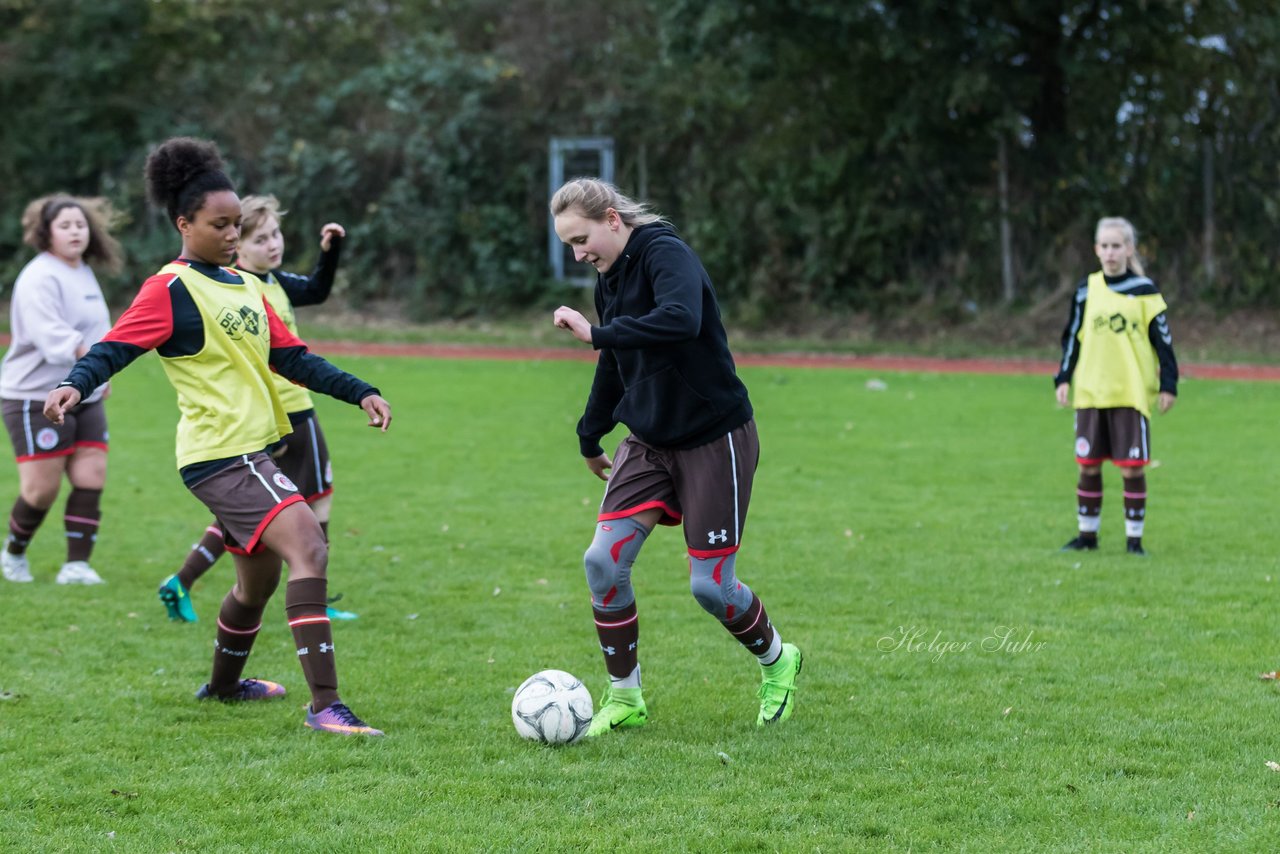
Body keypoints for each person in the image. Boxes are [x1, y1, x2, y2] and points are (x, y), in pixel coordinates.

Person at [44, 137, 391, 736]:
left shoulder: (247, 285)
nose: (232, 234)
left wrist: (360, 390)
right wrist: (76, 383)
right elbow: (114, 346)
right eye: (219, 224)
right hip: (219, 454)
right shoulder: (171, 288)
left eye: (236, 223)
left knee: (256, 583)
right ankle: (325, 707)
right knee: (309, 545)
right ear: (184, 223)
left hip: (248, 450)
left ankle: (225, 687)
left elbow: (295, 359)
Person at [549, 177, 802, 734]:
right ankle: (625, 697)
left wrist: (596, 333)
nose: (578, 253)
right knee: (602, 561)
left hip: (715, 438)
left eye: (581, 238)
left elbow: (680, 320)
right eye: (569, 243)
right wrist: (590, 435)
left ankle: (778, 659)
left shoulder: (666, 253)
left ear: (612, 219)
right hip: (650, 442)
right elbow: (615, 361)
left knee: (711, 587)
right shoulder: (607, 278)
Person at [157, 194, 355, 623]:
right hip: (282, 415)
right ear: (238, 247)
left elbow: (318, 290)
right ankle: (310, 595)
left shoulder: (275, 282)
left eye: (276, 235)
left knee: (260, 516)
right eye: (260, 238)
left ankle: (183, 580)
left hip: (282, 413)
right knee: (308, 505)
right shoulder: (235, 287)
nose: (273, 244)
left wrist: (329, 252)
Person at [1, 195, 123, 585]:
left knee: (92, 474)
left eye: (80, 225)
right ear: (46, 233)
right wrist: (98, 363)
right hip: (34, 395)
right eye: (66, 225)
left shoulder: (82, 271)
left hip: (81, 391)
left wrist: (98, 378)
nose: (75, 232)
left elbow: (98, 331)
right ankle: (13, 555)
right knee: (41, 490)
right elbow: (54, 338)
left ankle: (77, 566)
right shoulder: (40, 276)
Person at [1054, 216, 1178, 556]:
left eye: (1117, 245)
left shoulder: (1145, 292)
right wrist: (1063, 378)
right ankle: (1086, 537)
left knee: (1132, 468)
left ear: (1129, 248)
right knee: (1088, 464)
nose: (1110, 252)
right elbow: (1072, 339)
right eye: (1104, 246)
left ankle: (1134, 542)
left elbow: (1163, 343)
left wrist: (1169, 384)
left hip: (1130, 392)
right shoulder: (1085, 290)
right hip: (1091, 392)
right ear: (1096, 249)